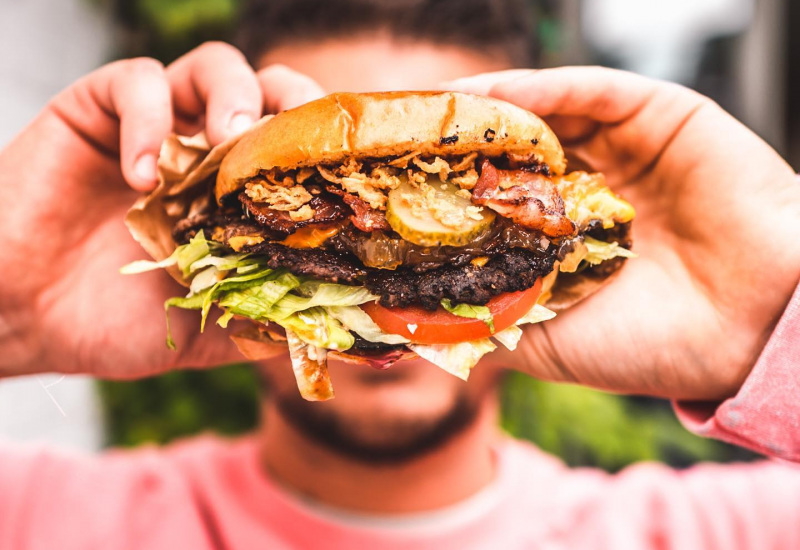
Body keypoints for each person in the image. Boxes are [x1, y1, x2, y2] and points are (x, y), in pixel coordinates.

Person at [1, 0, 799, 548]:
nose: (383, 222)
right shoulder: (47, 519)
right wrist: (14, 309)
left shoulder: (718, 530)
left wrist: (767, 318)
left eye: (456, 177)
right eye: (335, 192)